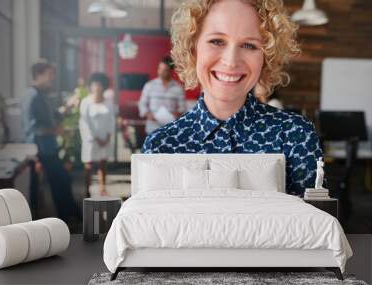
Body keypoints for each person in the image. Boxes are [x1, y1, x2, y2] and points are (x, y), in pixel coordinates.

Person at [142, 0, 323, 196]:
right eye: (217, 41)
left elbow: (310, 224)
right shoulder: (161, 147)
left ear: (266, 57)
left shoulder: (295, 136)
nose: (231, 61)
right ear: (193, 48)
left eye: (249, 45)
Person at [21, 60, 81, 222]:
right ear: (38, 75)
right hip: (39, 149)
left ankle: (68, 214)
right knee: (59, 179)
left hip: (48, 147)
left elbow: (55, 115)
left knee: (60, 180)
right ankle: (68, 215)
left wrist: (68, 107)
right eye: (49, 74)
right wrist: (54, 130)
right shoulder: (32, 96)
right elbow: (32, 127)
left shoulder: (42, 95)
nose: (52, 78)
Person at [79, 73, 115, 197]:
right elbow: (84, 122)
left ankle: (102, 188)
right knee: (88, 165)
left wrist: (108, 136)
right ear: (91, 86)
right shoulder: (86, 102)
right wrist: (95, 138)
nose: (97, 87)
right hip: (91, 139)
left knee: (103, 164)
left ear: (104, 86)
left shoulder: (109, 102)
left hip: (105, 138)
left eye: (100, 84)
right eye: (95, 84)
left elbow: (112, 120)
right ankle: (87, 189)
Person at [138, 56, 186, 134]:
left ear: (171, 71)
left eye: (164, 70)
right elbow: (142, 104)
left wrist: (177, 113)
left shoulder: (178, 88)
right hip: (152, 129)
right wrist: (148, 114)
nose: (160, 72)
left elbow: (183, 108)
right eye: (160, 69)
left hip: (170, 129)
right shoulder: (149, 85)